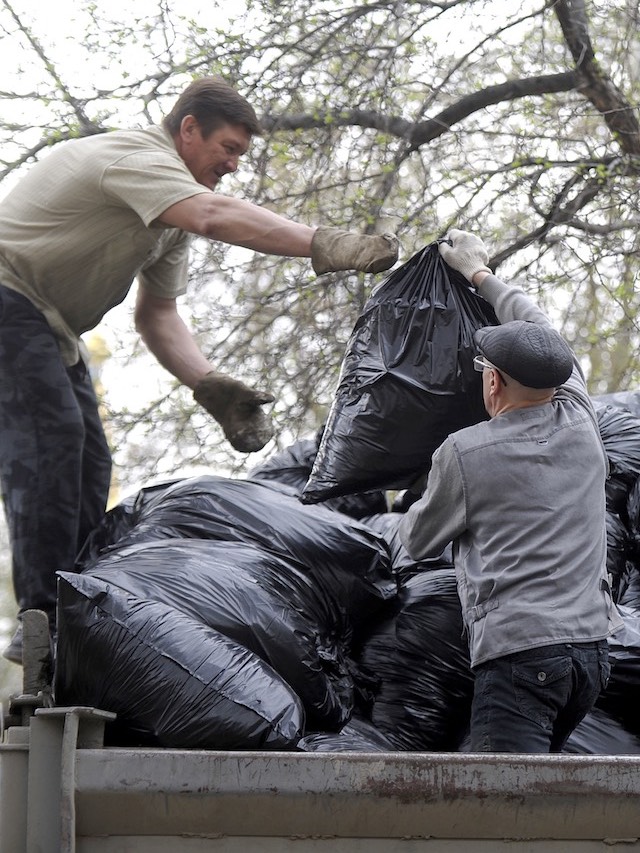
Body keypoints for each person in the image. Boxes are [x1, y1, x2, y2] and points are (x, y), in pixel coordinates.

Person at [0, 76, 399, 664]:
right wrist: (327, 244)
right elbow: (215, 216)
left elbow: (158, 315)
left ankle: (75, 610)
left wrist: (209, 385)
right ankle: (43, 619)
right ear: (189, 129)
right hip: (8, 296)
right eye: (228, 149)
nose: (233, 165)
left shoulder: (167, 216)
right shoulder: (136, 159)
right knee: (52, 437)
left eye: (240, 154)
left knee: (90, 461)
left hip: (49, 324)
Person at [399, 228, 623, 753]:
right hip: (590, 658)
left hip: (522, 657)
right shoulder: (580, 417)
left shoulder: (465, 452)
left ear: (492, 382)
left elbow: (417, 542)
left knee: (507, 811)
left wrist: (413, 497)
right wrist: (480, 274)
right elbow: (539, 328)